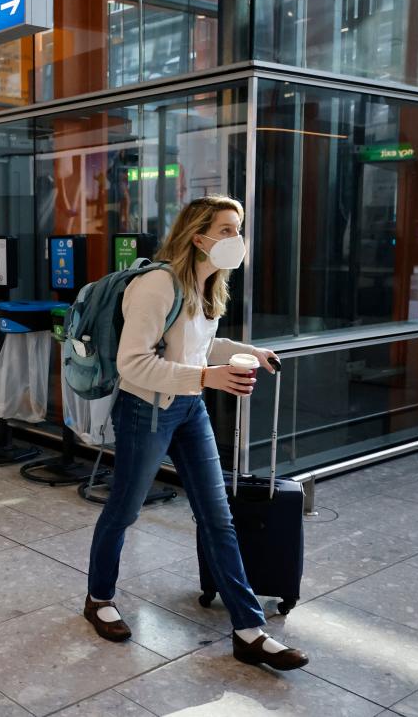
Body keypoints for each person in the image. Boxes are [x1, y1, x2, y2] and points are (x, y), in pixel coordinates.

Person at [83, 195, 309, 671]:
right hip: (145, 410)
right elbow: (134, 362)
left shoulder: (208, 285)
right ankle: (98, 597)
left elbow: (198, 344)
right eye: (226, 230)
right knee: (124, 510)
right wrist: (206, 377)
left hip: (189, 409)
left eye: (238, 229)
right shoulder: (157, 285)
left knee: (218, 517)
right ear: (197, 235)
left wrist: (248, 351)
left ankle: (248, 630)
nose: (236, 239)